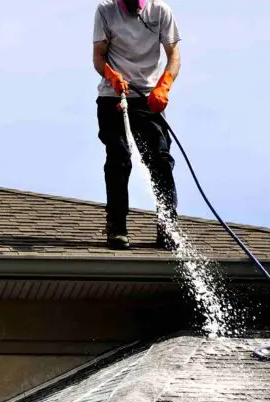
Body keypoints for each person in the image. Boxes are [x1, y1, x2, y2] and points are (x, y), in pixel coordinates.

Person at [93, 0, 181, 250]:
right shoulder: (106, 11)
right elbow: (98, 57)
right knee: (119, 157)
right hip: (113, 96)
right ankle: (117, 227)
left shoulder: (160, 11)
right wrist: (111, 74)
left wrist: (164, 85)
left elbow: (174, 56)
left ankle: (167, 227)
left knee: (160, 160)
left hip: (148, 98)